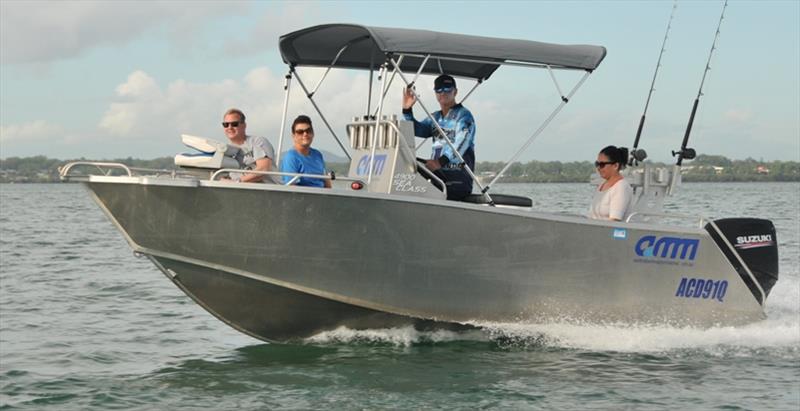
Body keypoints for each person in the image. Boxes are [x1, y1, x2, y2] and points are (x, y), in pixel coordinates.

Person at [402, 74, 476, 201]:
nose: (443, 93)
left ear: (455, 92)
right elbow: (416, 129)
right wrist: (407, 111)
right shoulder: (435, 118)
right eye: (439, 90)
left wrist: (440, 162)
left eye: (447, 89)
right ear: (435, 93)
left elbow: (462, 143)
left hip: (457, 180)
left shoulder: (464, 116)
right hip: (437, 177)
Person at [221, 108, 275, 183]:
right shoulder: (226, 150)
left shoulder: (258, 142)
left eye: (234, 124)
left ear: (244, 125)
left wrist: (237, 182)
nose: (229, 127)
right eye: (226, 124)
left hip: (266, 190)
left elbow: (263, 169)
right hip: (238, 191)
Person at [280, 115, 331, 188]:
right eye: (300, 132)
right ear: (293, 136)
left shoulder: (318, 155)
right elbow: (291, 190)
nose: (305, 134)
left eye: (308, 130)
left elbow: (327, 183)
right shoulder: (291, 158)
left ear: (313, 133)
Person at [589, 145, 633, 221]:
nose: (598, 168)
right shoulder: (601, 185)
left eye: (602, 165)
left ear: (615, 166)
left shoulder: (621, 187)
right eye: (597, 164)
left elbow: (614, 220)